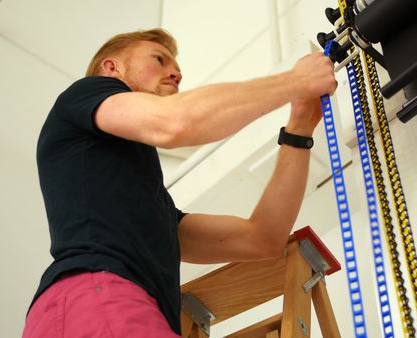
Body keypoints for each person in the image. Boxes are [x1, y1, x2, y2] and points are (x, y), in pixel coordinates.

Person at [22, 28, 336, 338]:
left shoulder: (149, 211)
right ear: (111, 67)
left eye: (176, 68)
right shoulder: (86, 93)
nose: (175, 73)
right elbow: (175, 122)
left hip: (106, 305)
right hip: (95, 297)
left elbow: (263, 238)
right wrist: (295, 81)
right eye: (159, 59)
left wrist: (300, 127)